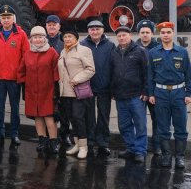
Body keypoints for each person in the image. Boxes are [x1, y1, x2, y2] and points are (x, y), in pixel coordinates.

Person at [147, 22, 191, 169]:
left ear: (173, 34)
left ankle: (180, 157)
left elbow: (189, 74)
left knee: (180, 126)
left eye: (168, 32)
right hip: (160, 93)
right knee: (163, 126)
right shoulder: (153, 53)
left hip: (178, 93)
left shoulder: (182, 52)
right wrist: (151, 94)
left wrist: (188, 93)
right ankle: (166, 156)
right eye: (163, 33)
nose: (165, 35)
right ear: (159, 35)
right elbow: (150, 76)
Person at [0, 6, 29, 148]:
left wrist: (21, 75)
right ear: (0, 20)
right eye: (3, 18)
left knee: (14, 107)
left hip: (14, 78)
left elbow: (26, 56)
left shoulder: (21, 34)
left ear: (13, 19)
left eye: (8, 17)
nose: (6, 20)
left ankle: (14, 134)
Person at [17, 26, 60, 156]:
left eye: (40, 37)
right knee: (38, 116)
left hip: (48, 90)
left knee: (49, 116)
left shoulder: (52, 53)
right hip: (32, 91)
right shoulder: (27, 54)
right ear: (31, 40)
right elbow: (21, 71)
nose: (38, 40)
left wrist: (57, 90)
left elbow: (57, 72)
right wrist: (24, 87)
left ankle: (53, 141)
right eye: (35, 37)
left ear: (44, 38)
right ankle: (42, 139)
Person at [110, 26, 149, 163]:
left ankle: (140, 151)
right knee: (124, 125)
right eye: (119, 36)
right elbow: (112, 74)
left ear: (130, 36)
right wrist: (113, 91)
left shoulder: (140, 51)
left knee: (140, 124)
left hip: (136, 96)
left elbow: (147, 72)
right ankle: (131, 148)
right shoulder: (114, 53)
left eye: (124, 35)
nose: (122, 38)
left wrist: (145, 91)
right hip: (120, 96)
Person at [59, 28, 95, 159]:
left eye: (70, 36)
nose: (67, 39)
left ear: (76, 38)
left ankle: (84, 146)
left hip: (77, 91)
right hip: (65, 92)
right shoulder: (63, 52)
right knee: (72, 119)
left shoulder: (84, 50)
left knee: (79, 118)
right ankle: (77, 144)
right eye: (65, 37)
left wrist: (77, 79)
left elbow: (90, 69)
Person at [81, 20, 115, 157]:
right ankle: (90, 141)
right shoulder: (83, 45)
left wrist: (113, 86)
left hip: (105, 86)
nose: (95, 32)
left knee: (103, 116)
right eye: (92, 29)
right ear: (88, 31)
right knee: (88, 116)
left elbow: (114, 67)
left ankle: (103, 143)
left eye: (97, 29)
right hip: (87, 86)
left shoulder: (110, 45)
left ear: (102, 30)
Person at [45, 15, 71, 151]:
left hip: (62, 80)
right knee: (47, 110)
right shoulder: (42, 40)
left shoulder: (65, 41)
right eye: (49, 25)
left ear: (59, 26)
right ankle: (49, 136)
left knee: (64, 110)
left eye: (54, 24)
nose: (51, 27)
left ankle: (65, 135)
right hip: (46, 81)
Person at [136, 19, 161, 156]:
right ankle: (140, 148)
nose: (145, 34)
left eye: (147, 32)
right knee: (140, 121)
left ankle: (157, 146)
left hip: (155, 91)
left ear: (152, 33)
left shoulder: (158, 48)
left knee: (156, 120)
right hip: (139, 91)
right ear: (139, 33)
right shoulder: (133, 47)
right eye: (142, 32)